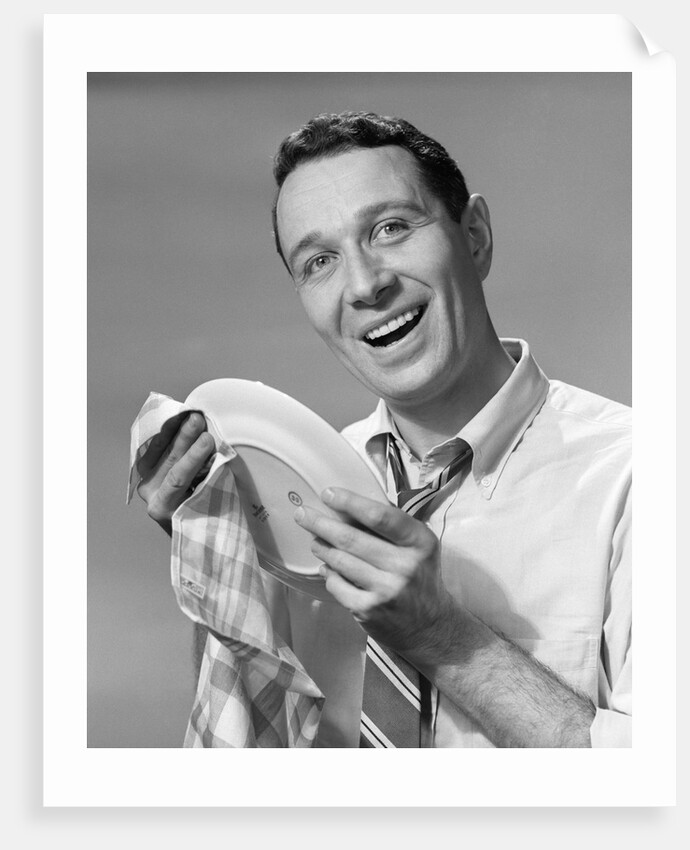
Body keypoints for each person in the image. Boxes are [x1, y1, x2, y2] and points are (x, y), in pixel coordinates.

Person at [136, 111, 631, 748]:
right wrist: (225, 552)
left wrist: (443, 637)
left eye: (391, 228)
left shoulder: (642, 478)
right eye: (319, 262)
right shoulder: (290, 499)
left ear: (474, 235)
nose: (366, 284)